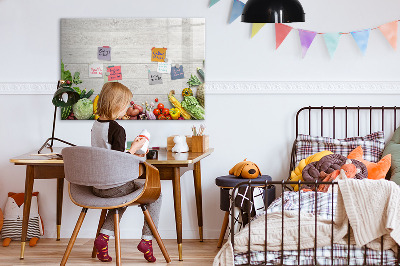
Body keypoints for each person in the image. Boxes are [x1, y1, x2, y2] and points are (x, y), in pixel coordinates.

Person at [91, 82, 161, 263]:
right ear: (117, 104)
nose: (129, 109)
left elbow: (108, 154)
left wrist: (131, 150)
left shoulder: (96, 125)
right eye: (127, 104)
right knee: (156, 194)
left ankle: (103, 238)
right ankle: (147, 240)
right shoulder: (117, 129)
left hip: (98, 186)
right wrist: (136, 148)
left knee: (121, 197)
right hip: (114, 186)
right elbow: (119, 161)